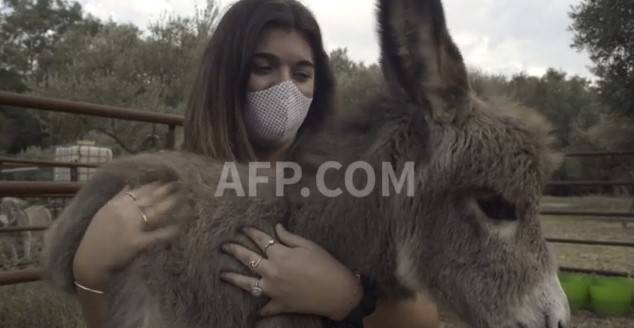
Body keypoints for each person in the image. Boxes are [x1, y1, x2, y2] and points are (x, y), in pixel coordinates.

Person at [70, 0, 440, 327]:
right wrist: (89, 270)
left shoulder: (346, 183)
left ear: (318, 84)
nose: (286, 88)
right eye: (264, 67)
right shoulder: (165, 189)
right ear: (227, 76)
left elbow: (422, 317)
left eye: (302, 74)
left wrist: (348, 298)